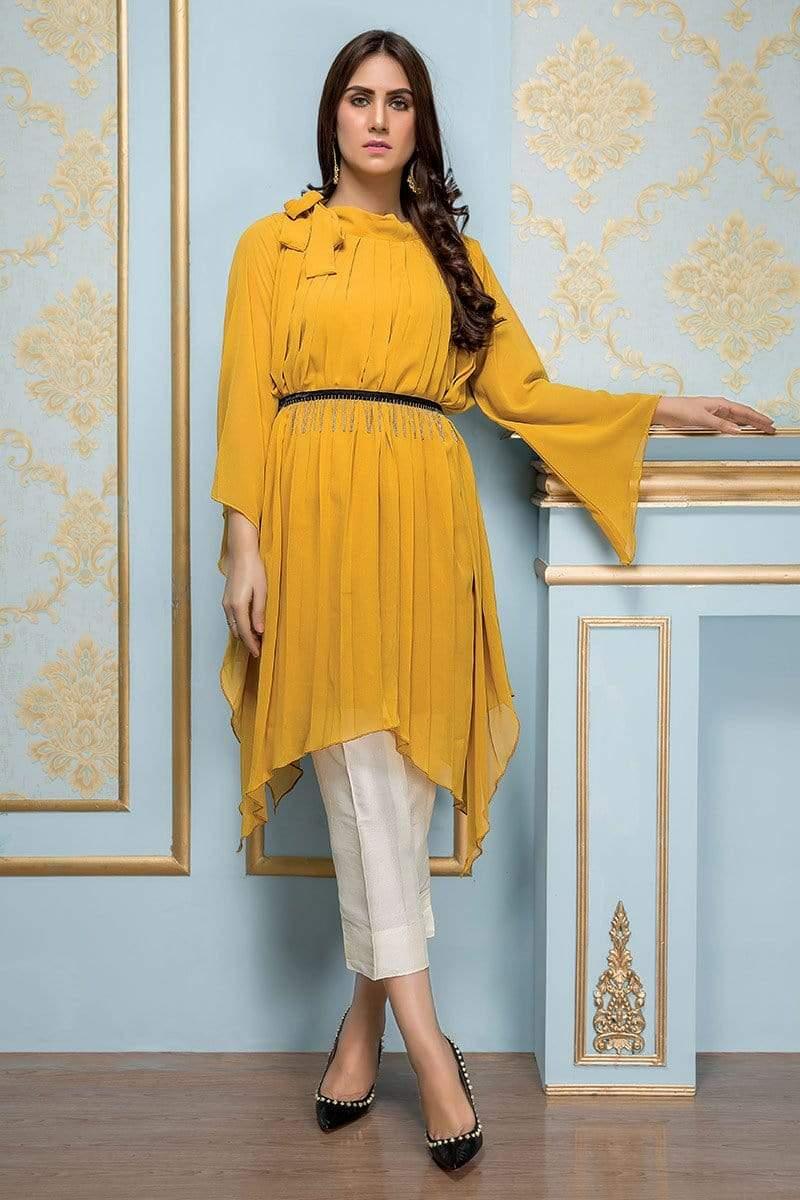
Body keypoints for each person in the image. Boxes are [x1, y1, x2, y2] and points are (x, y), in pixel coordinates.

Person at [210, 29, 775, 1172]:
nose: (377, 118)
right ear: (331, 116)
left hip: (423, 520)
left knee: (399, 779)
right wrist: (241, 541)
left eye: (398, 101)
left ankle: (361, 1027)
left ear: (419, 123)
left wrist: (661, 408)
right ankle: (429, 1046)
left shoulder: (451, 257)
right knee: (356, 768)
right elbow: (242, 397)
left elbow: (522, 393)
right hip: (313, 516)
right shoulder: (272, 244)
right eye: (359, 98)